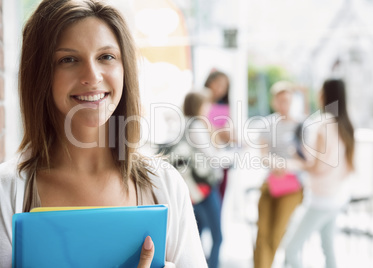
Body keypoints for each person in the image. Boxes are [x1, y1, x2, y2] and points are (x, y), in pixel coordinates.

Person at [0, 1, 207, 267]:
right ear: (40, 74)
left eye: (106, 57)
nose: (92, 75)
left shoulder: (165, 185)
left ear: (125, 69)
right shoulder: (7, 193)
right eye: (68, 59)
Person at [284, 79, 355, 268]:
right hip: (337, 196)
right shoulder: (346, 125)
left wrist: (294, 161)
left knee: (290, 249)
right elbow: (347, 166)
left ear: (324, 95)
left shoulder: (323, 125)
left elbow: (316, 167)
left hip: (320, 199)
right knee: (328, 247)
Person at [254, 81, 306, 268]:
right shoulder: (267, 124)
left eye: (287, 100)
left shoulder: (300, 125)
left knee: (277, 233)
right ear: (274, 101)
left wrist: (286, 165)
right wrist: (274, 163)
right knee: (262, 233)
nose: (284, 104)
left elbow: (306, 160)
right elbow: (263, 155)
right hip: (271, 182)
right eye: (281, 100)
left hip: (292, 186)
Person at [180, 92, 234, 268]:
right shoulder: (196, 125)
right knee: (218, 236)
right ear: (198, 105)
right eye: (205, 104)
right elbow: (213, 157)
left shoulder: (183, 124)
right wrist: (234, 157)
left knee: (198, 233)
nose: (209, 108)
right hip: (204, 187)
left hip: (191, 188)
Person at [203, 70, 233, 200]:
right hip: (202, 159)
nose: (221, 89)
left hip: (220, 158)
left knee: (219, 199)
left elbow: (228, 135)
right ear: (209, 83)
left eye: (225, 86)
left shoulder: (225, 107)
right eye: (218, 84)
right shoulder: (200, 103)